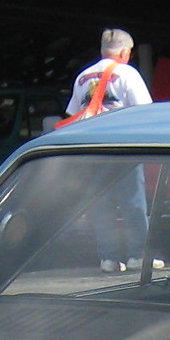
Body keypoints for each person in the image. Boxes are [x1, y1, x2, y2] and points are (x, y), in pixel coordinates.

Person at [67, 28, 157, 274]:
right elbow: (144, 111)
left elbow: (73, 114)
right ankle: (138, 255)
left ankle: (108, 259)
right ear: (125, 52)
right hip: (123, 147)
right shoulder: (128, 73)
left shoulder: (82, 77)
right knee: (133, 204)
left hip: (93, 149)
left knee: (101, 206)